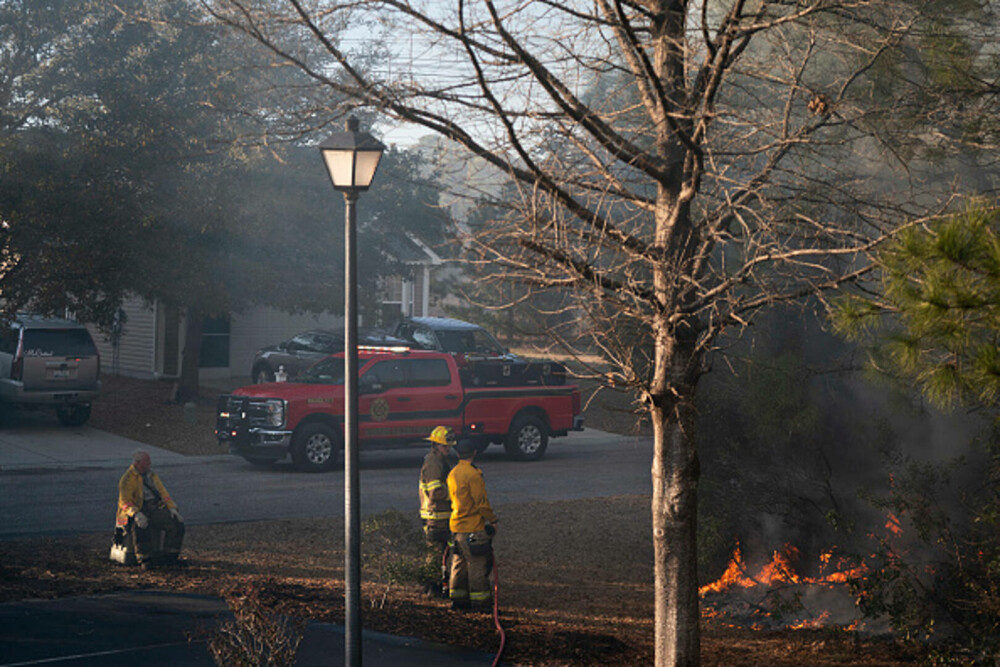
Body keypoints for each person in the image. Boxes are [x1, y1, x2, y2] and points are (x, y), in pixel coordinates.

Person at [447, 438, 497, 611]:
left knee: (458, 564)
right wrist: (493, 520)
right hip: (473, 528)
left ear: (458, 453)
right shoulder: (473, 474)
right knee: (477, 564)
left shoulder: (453, 473)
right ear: (474, 452)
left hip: (456, 527)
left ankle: (458, 600)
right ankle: (481, 603)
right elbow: (481, 502)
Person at [116, 450, 185, 569]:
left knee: (176, 524)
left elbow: (163, 494)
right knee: (141, 527)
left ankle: (170, 557)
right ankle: (145, 559)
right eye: (146, 461)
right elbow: (124, 501)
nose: (149, 464)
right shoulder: (127, 479)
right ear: (138, 463)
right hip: (137, 510)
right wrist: (136, 514)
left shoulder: (152, 476)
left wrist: (172, 508)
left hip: (154, 508)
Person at [419, 426, 456, 597]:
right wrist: (455, 494)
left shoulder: (441, 460)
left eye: (449, 446)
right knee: (435, 554)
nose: (447, 449)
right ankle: (431, 587)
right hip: (434, 517)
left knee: (440, 553)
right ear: (435, 445)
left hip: (440, 516)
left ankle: (434, 584)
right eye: (444, 446)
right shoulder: (434, 463)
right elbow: (434, 493)